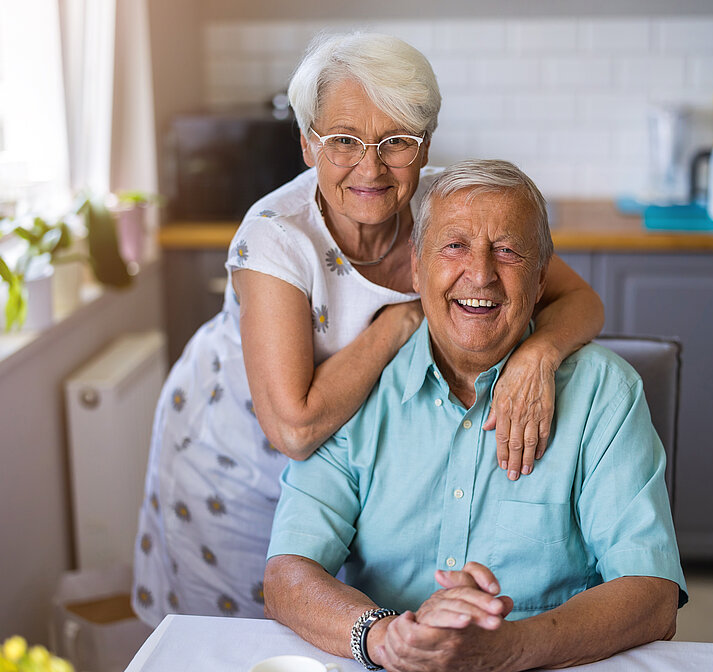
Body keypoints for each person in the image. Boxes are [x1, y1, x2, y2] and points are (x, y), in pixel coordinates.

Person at [132, 33, 605, 626]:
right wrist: (401, 320)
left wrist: (537, 355)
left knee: (350, 633)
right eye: (343, 141)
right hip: (235, 469)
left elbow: (581, 300)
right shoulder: (278, 235)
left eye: (396, 141)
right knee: (245, 643)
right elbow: (294, 426)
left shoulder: (446, 213)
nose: (370, 166)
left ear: (426, 144)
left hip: (352, 477)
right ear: (307, 145)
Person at [264, 160, 687, 672]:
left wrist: (512, 648)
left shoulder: (604, 392)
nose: (481, 274)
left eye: (507, 251)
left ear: (538, 282)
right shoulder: (359, 389)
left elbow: (652, 594)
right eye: (454, 246)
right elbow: (287, 573)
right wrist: (381, 637)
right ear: (417, 269)